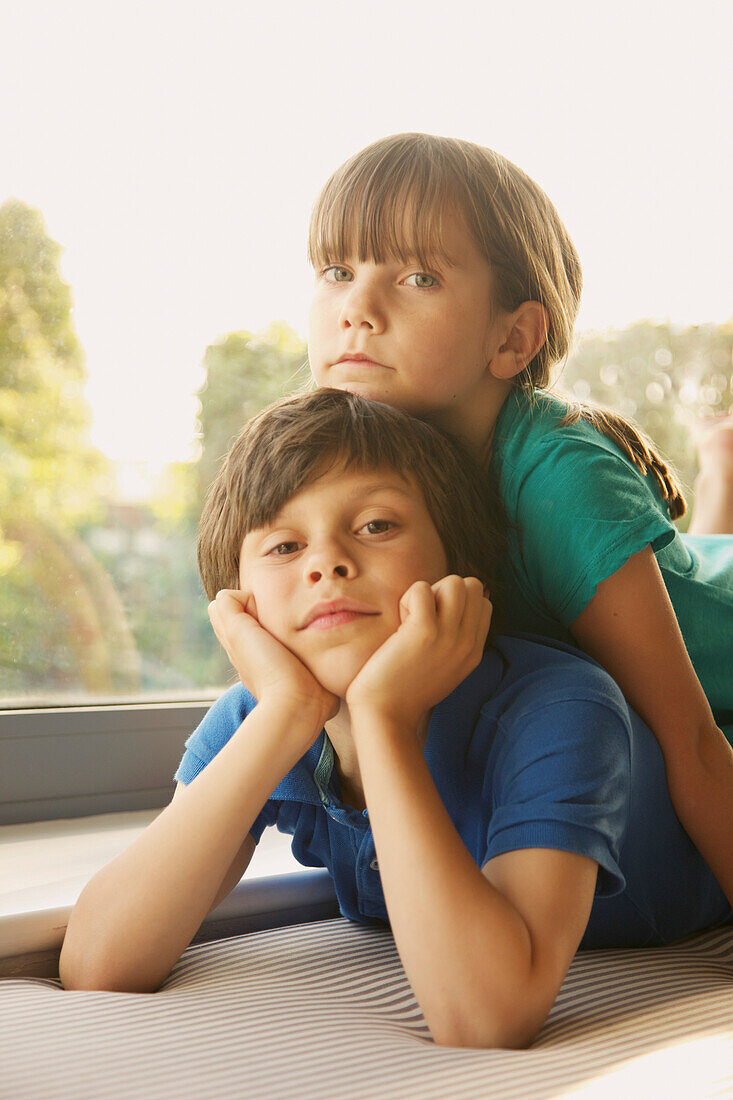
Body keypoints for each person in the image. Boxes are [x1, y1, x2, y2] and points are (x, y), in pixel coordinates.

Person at [59, 390, 732, 1052]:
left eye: (376, 526)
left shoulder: (560, 708)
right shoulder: (263, 715)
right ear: (238, 605)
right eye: (284, 547)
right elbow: (97, 965)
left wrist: (383, 719)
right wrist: (287, 715)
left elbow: (485, 1018)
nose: (327, 563)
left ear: (461, 567)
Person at [305, 132, 733, 904]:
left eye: (417, 277)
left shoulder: (561, 483)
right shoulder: (345, 468)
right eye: (336, 271)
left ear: (512, 338)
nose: (357, 310)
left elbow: (693, 741)